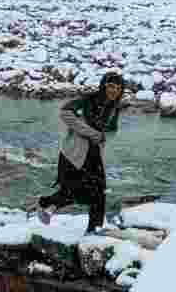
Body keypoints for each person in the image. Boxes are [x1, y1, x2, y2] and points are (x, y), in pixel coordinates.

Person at [37, 71, 125, 231]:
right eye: (111, 86)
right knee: (72, 192)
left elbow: (112, 131)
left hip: (95, 156)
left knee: (99, 194)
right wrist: (90, 132)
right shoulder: (87, 101)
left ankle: (94, 230)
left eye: (118, 88)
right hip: (73, 155)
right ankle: (46, 204)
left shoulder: (114, 108)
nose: (114, 90)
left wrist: (104, 137)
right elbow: (65, 112)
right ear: (103, 86)